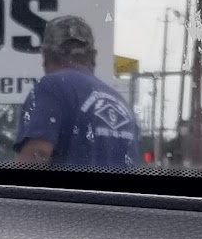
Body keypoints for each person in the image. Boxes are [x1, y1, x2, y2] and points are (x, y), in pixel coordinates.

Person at [14, 15, 139, 168]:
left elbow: (37, 152)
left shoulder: (51, 87)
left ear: (45, 56)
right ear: (93, 57)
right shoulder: (121, 105)